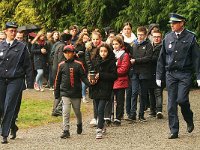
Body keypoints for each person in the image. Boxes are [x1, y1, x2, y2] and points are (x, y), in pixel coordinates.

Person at [156, 13, 200, 139]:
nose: (172, 25)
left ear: (182, 23)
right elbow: (162, 58)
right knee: (171, 104)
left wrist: (198, 76)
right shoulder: (168, 37)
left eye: (174, 23)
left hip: (184, 73)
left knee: (182, 100)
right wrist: (159, 75)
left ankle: (189, 119)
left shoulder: (191, 38)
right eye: (171, 23)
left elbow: (197, 59)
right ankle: (174, 130)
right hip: (170, 74)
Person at [0, 22, 33, 144]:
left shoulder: (22, 47)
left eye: (15, 30)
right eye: (11, 30)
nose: (13, 32)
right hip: (2, 79)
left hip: (16, 80)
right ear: (6, 31)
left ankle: (4, 133)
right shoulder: (1, 45)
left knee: (9, 105)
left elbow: (28, 65)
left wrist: (30, 83)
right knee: (1, 107)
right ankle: (13, 126)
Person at [54, 45, 91, 139]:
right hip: (65, 93)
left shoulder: (78, 64)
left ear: (73, 53)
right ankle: (66, 130)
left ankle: (79, 124)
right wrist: (56, 92)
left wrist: (91, 85)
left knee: (77, 111)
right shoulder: (61, 65)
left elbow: (83, 77)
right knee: (65, 111)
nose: (67, 54)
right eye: (65, 52)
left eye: (69, 52)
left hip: (76, 93)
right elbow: (57, 79)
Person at [89, 43, 117, 139]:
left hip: (106, 88)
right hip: (96, 87)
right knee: (97, 110)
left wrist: (101, 75)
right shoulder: (95, 61)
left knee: (101, 109)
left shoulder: (111, 62)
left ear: (108, 52)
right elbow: (91, 72)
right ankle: (103, 124)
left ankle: (99, 129)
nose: (103, 53)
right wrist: (91, 78)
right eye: (101, 51)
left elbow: (114, 76)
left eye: (105, 51)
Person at [129, 26, 153, 122]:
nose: (140, 37)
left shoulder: (148, 45)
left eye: (142, 35)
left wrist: (136, 60)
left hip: (144, 72)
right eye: (138, 34)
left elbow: (148, 58)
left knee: (143, 94)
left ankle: (141, 114)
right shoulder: (133, 44)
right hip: (135, 71)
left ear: (145, 35)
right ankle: (132, 114)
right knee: (134, 93)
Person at [148, 30, 164, 119]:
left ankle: (159, 110)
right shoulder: (150, 46)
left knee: (158, 92)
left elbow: (159, 59)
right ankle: (152, 110)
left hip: (159, 72)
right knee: (151, 92)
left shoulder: (163, 47)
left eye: (158, 37)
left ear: (161, 37)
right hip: (150, 72)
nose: (156, 38)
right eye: (154, 37)